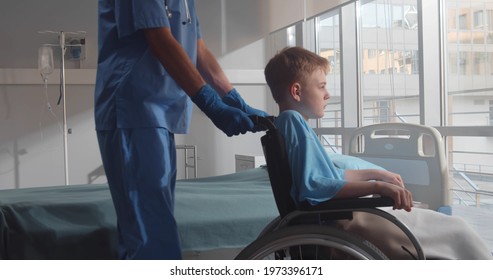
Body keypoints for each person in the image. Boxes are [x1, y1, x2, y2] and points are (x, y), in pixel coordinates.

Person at [264, 46, 492, 259]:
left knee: (450, 227)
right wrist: (377, 187)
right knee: (456, 230)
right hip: (342, 221)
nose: (328, 94)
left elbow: (330, 176)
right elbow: (314, 187)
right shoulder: (293, 122)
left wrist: (377, 174)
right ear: (296, 91)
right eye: (322, 86)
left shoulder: (289, 123)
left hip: (338, 215)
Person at [94, 0, 267, 260]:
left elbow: (197, 48)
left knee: (157, 222)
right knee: (149, 233)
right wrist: (211, 104)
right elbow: (159, 38)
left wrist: (233, 98)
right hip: (133, 106)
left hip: (160, 111)